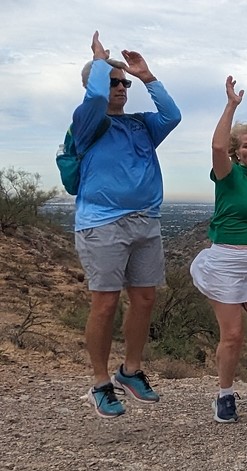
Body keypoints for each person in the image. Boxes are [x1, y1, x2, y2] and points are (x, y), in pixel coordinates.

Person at [74, 32, 181, 418]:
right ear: (95, 83)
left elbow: (172, 116)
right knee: (105, 304)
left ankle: (130, 370)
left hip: (145, 223)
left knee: (146, 299)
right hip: (102, 224)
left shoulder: (140, 125)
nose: (121, 88)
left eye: (125, 83)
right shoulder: (87, 121)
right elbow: (98, 98)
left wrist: (148, 77)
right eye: (114, 82)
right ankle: (100, 383)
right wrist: (102, 61)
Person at [191, 76, 247, 423]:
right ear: (237, 150)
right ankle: (224, 394)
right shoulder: (228, 175)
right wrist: (231, 105)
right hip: (226, 263)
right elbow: (217, 148)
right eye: (246, 145)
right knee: (231, 335)